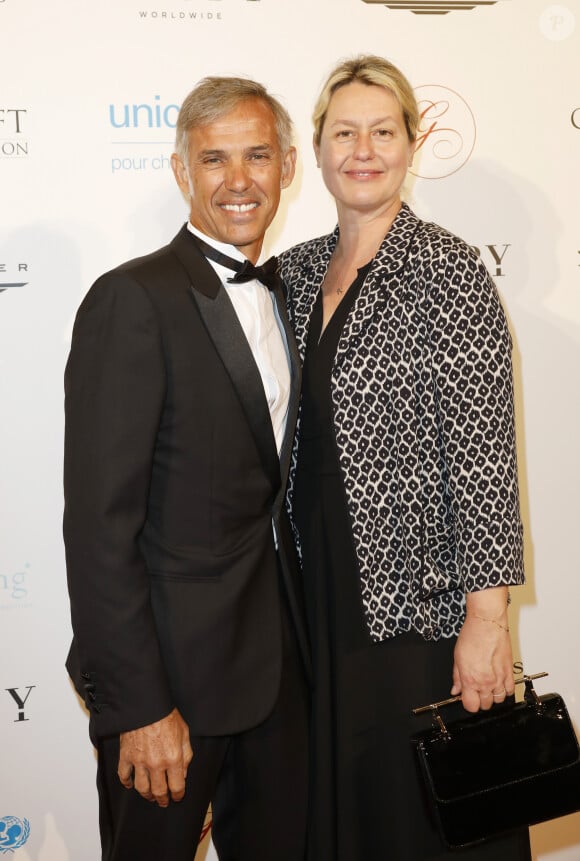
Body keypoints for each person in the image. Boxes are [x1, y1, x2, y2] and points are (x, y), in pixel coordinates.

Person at [279, 55, 531, 860]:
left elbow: (485, 455)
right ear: (315, 150)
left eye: (382, 131)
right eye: (344, 131)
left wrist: (486, 618)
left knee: (421, 814)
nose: (363, 148)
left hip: (417, 608)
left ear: (412, 144)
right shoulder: (289, 274)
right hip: (313, 596)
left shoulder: (448, 270)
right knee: (342, 807)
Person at [64, 76, 309, 861]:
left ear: (288, 166)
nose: (239, 180)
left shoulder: (292, 294)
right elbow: (100, 527)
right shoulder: (132, 298)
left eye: (257, 155)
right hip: (169, 687)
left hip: (279, 679)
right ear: (181, 173)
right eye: (214, 159)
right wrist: (139, 705)